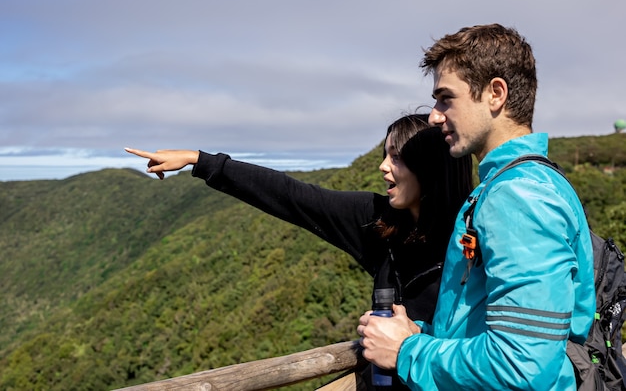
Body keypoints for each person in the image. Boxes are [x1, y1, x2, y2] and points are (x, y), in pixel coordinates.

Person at [126, 113, 473, 390]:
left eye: (396, 158)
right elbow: (292, 196)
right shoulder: (378, 221)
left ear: (429, 168)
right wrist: (198, 160)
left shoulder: (473, 240)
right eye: (385, 155)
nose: (383, 167)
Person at [357, 24, 596, 390]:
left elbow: (521, 366)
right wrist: (417, 333)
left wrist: (407, 350)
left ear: (495, 94)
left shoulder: (518, 197)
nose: (435, 116)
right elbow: (494, 327)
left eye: (446, 98)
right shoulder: (523, 183)